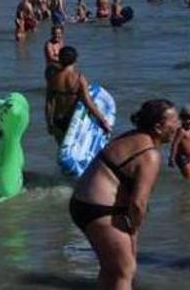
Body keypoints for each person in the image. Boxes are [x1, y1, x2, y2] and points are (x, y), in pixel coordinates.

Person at [69, 99, 179, 289]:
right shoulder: (150, 154)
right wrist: (134, 231)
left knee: (110, 268)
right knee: (125, 269)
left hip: (82, 203)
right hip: (101, 210)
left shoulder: (132, 136)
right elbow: (138, 203)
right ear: (159, 127)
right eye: (174, 121)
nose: (178, 125)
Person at [46, 46, 111, 144]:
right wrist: (103, 120)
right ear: (75, 60)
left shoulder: (53, 79)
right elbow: (88, 102)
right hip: (74, 122)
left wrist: (49, 123)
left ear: (60, 59)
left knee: (62, 152)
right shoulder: (79, 78)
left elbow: (49, 104)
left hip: (58, 121)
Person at [170, 106, 190, 179]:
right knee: (188, 176)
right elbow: (175, 144)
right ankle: (186, 190)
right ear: (182, 119)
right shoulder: (181, 131)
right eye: (189, 119)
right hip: (182, 157)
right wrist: (172, 158)